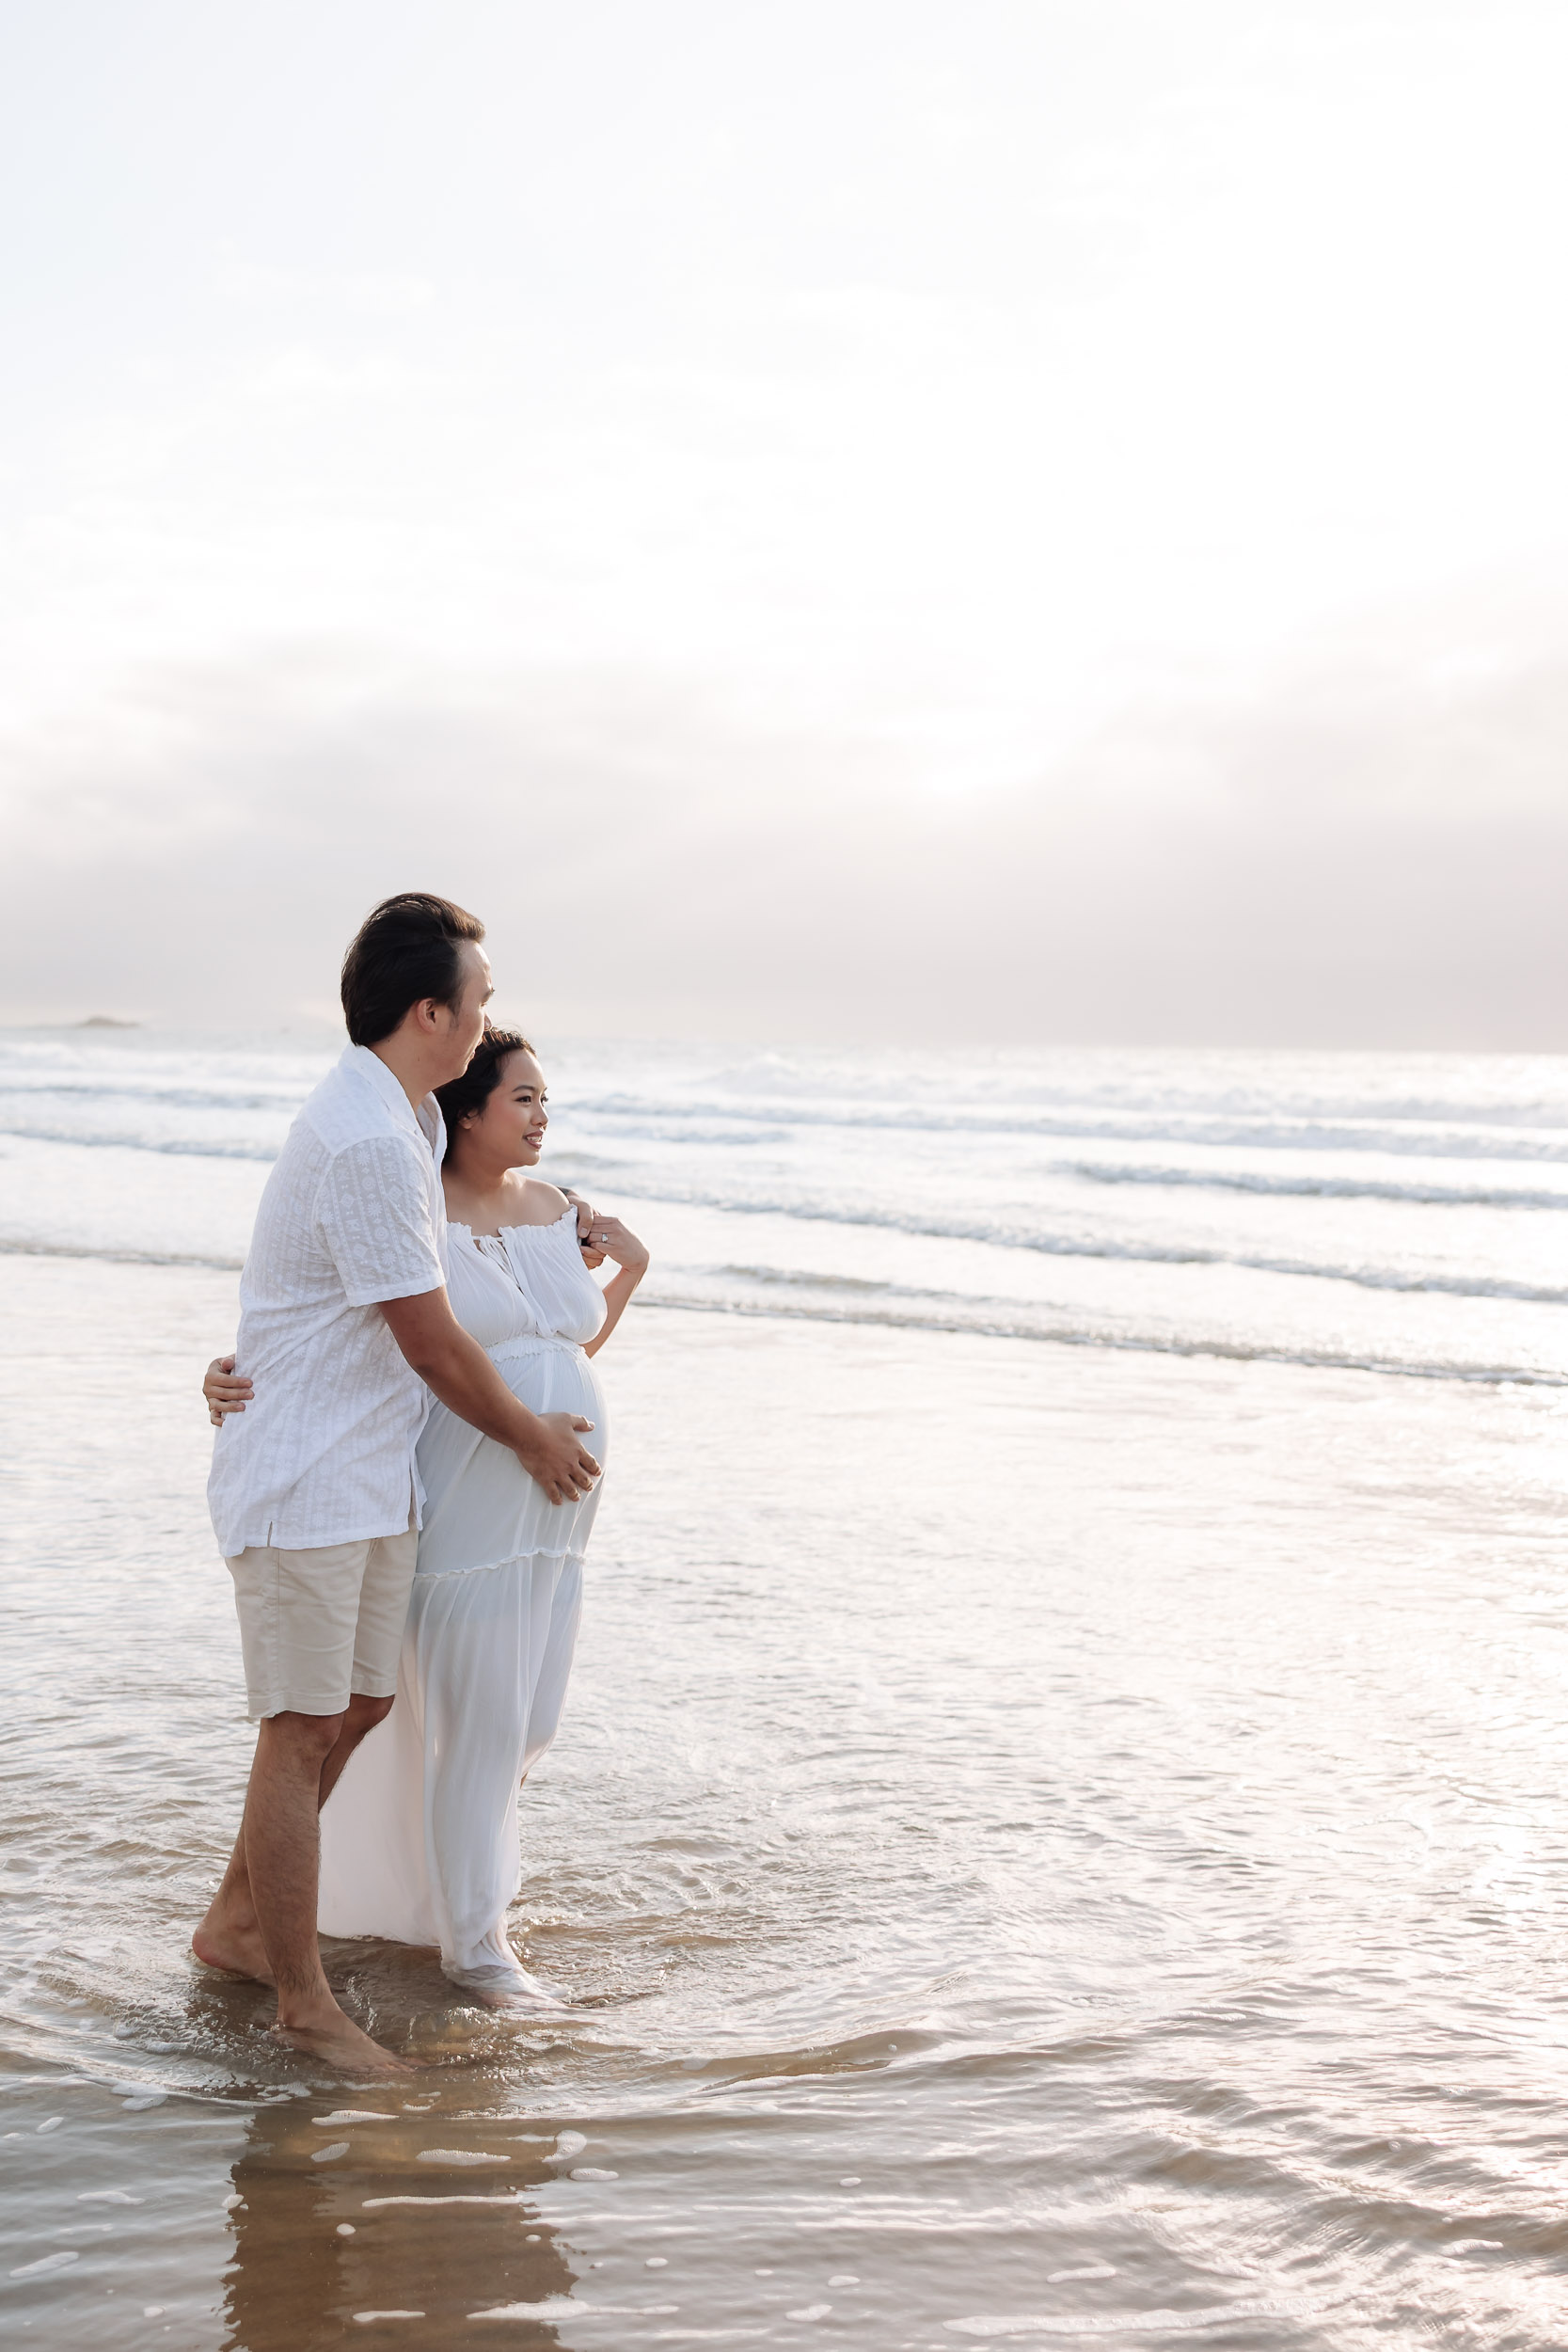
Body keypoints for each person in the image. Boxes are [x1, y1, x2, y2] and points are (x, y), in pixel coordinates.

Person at [194, 894, 602, 2076]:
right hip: (307, 1476)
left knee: (361, 1707)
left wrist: (574, 1236)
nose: (485, 1021)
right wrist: (530, 1435)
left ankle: (234, 1926)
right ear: (428, 1011)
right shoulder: (374, 1140)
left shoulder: (412, 1117)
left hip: (372, 1473)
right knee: (303, 1723)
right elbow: (427, 1341)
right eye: (474, 1002)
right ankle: (303, 1999)